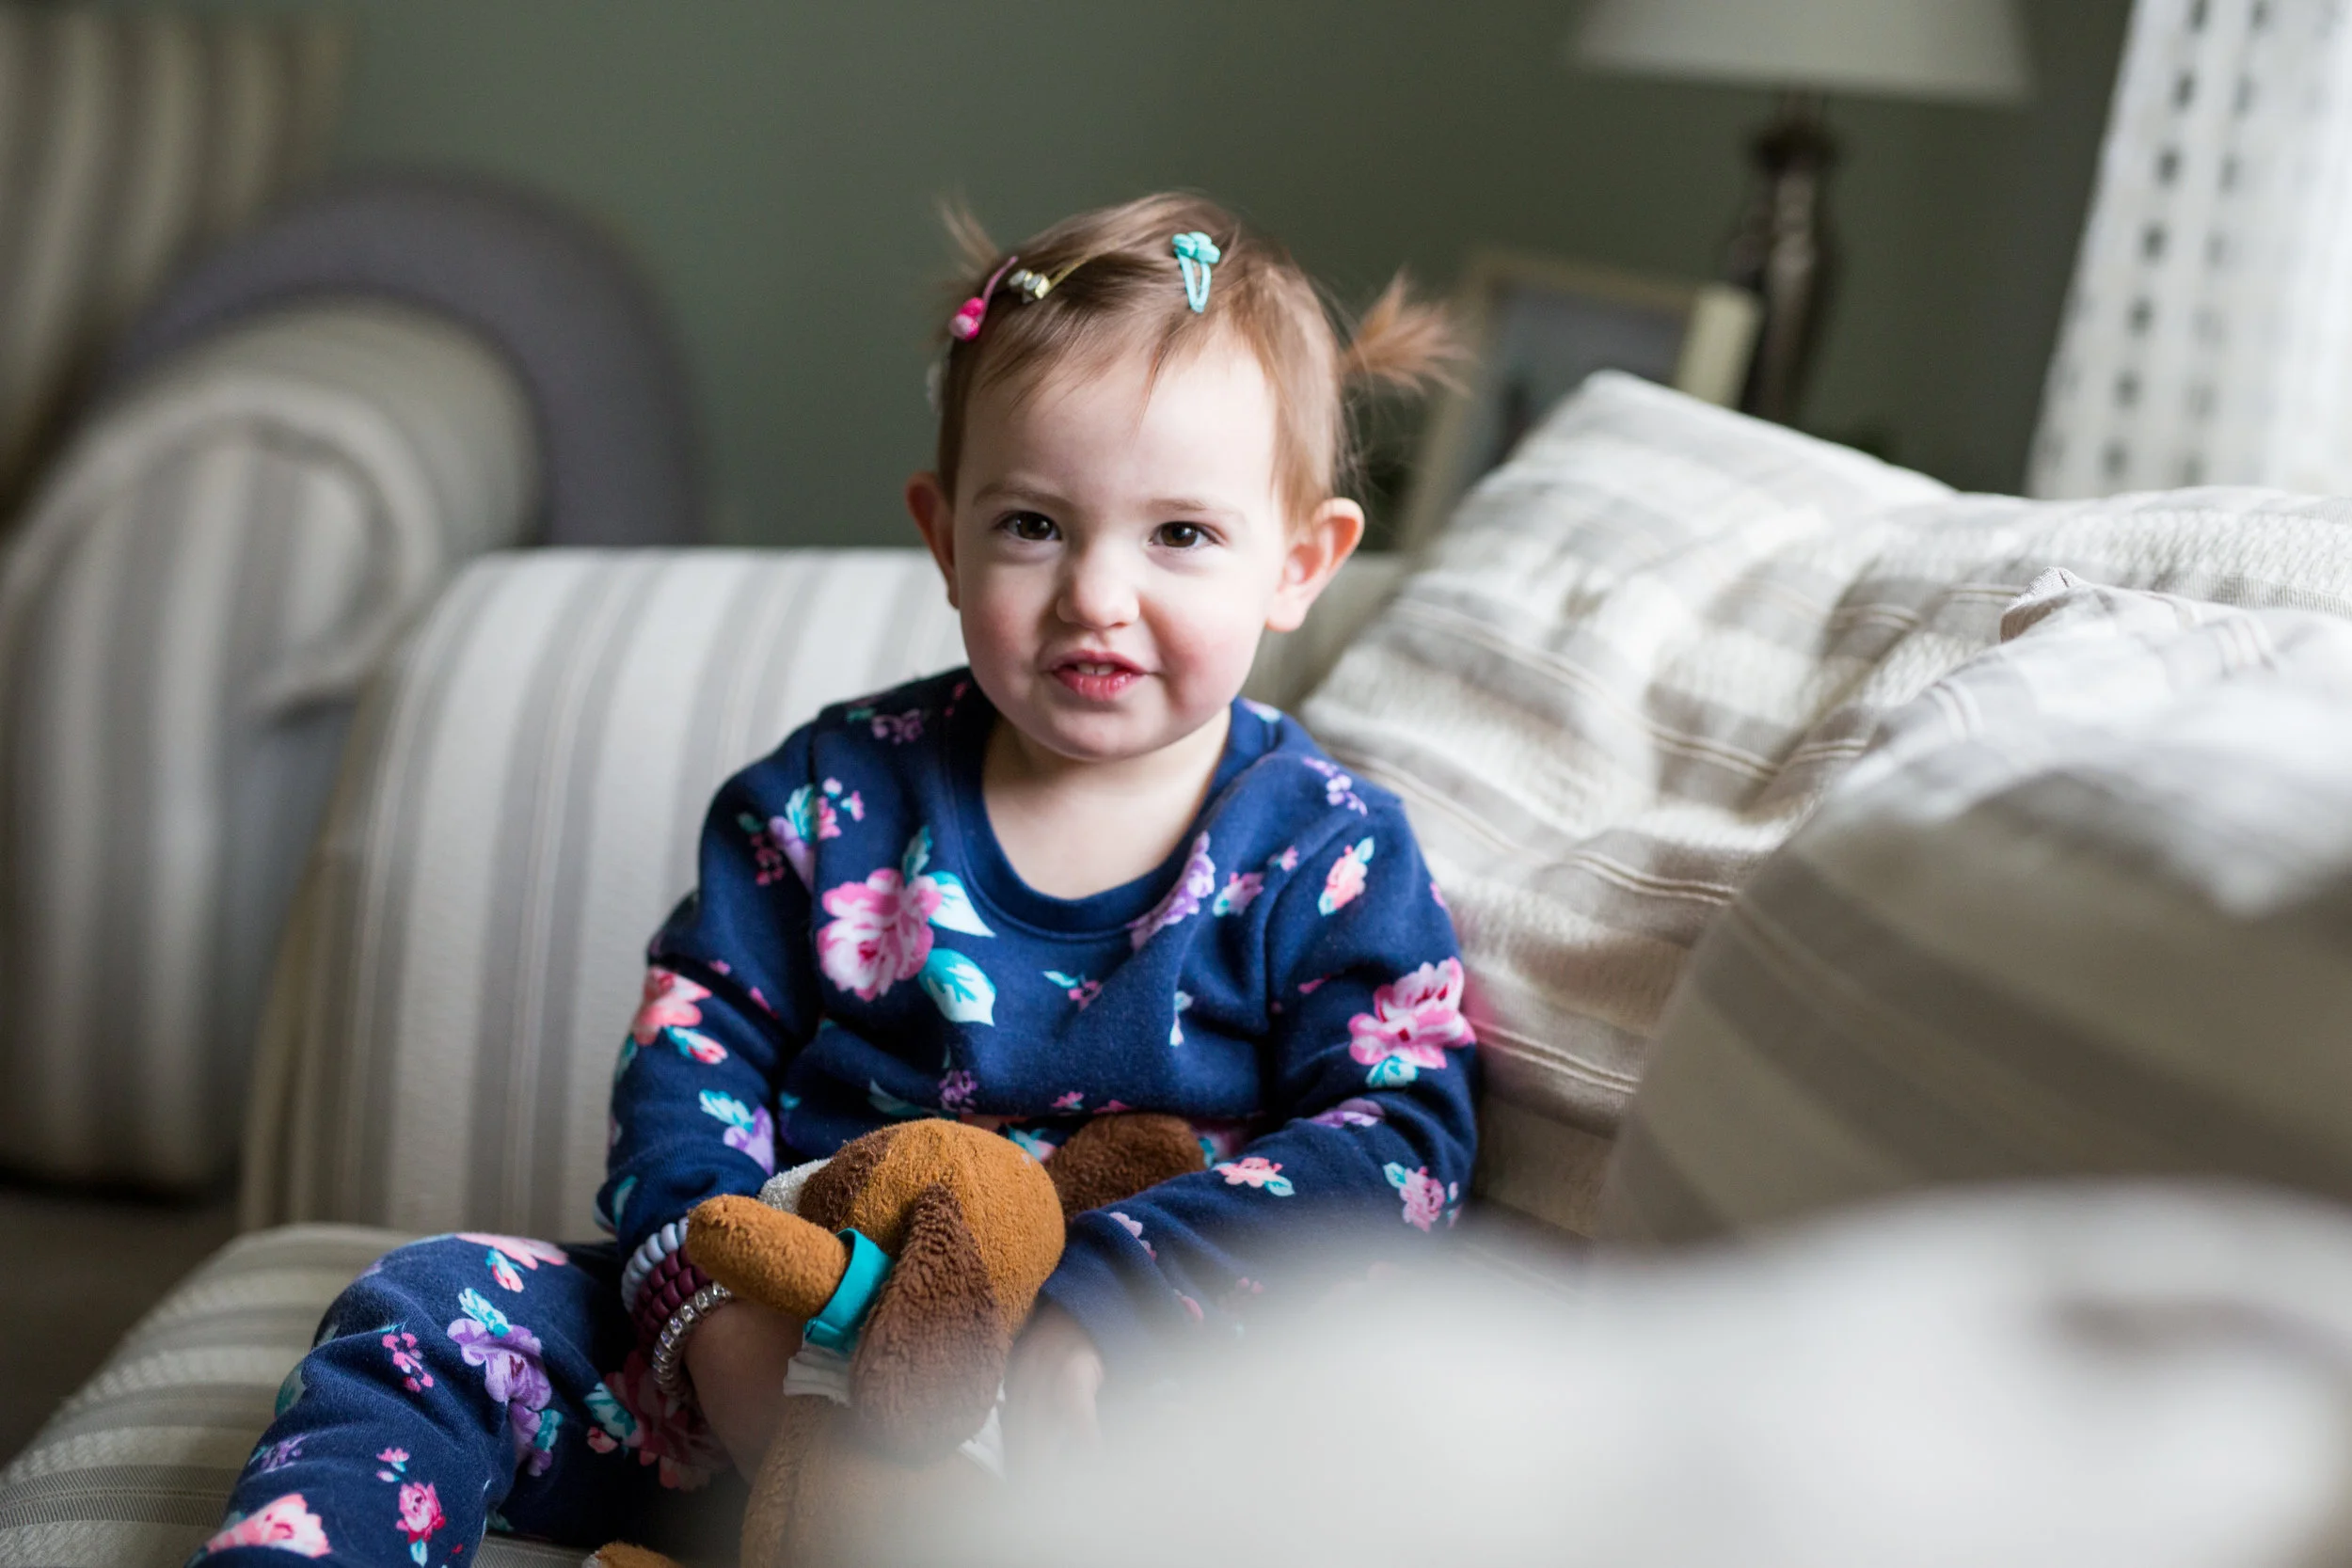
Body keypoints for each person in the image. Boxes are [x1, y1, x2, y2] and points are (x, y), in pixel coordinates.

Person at [196, 192, 1478, 1566]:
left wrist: (1117, 1302)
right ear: (944, 532)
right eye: (1035, 525)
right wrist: (718, 1320)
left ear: (1300, 562)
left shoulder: (1325, 852)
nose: (1098, 592)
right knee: (424, 1306)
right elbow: (690, 1066)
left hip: (1098, 1392)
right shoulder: (830, 795)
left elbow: (1403, 1140)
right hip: (787, 1327)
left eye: (1180, 535)